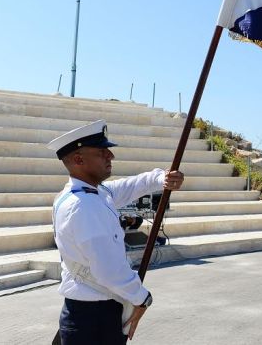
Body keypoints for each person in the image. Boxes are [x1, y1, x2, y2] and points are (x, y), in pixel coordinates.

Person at [48, 120, 185, 344]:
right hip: (93, 322)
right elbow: (109, 271)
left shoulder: (93, 192)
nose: (110, 156)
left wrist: (162, 178)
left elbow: (132, 186)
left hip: (89, 315)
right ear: (78, 160)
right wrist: (142, 298)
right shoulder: (84, 205)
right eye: (102, 152)